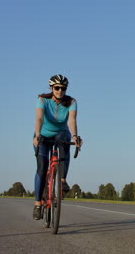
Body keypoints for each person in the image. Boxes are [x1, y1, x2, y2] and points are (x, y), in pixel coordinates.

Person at [32, 74, 82, 220]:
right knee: (42, 167)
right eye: (57, 88)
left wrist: (75, 137)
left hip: (61, 133)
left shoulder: (71, 102)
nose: (60, 91)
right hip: (43, 135)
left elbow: (72, 120)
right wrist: (37, 135)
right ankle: (37, 203)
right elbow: (39, 118)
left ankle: (62, 180)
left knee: (65, 141)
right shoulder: (42, 100)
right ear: (51, 88)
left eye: (63, 88)